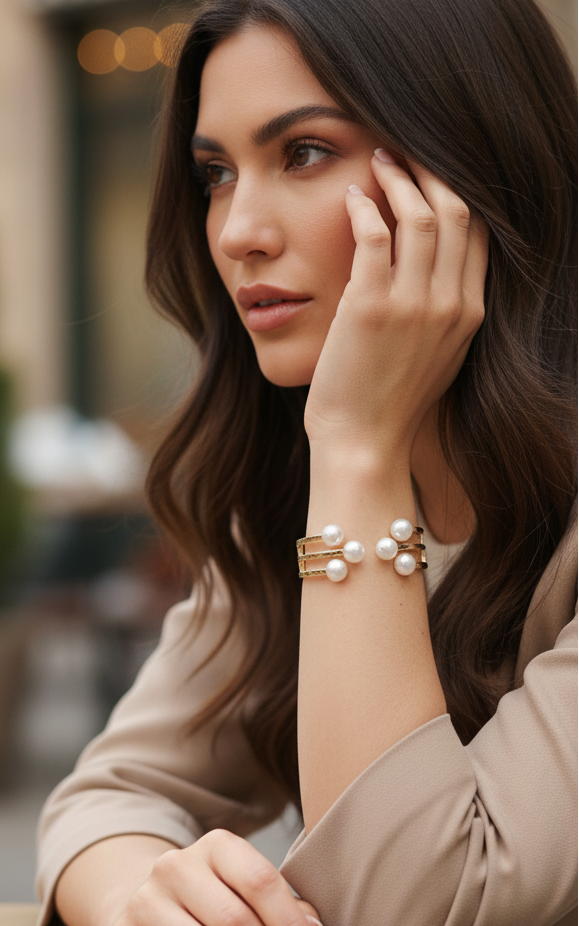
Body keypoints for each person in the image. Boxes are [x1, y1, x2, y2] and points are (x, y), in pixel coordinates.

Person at [36, 0, 578, 924]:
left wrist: (358, 453)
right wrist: (145, 895)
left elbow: (414, 904)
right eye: (212, 172)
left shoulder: (345, 460)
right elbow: (107, 797)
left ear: (469, 168)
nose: (236, 230)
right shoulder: (285, 484)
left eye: (304, 152)